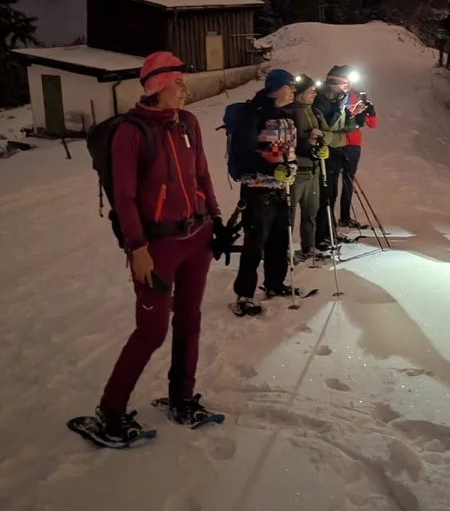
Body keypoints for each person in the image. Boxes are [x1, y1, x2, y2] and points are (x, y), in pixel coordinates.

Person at [94, 51, 220, 445]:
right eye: (177, 83)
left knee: (189, 320)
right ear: (156, 87)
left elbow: (202, 173)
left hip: (196, 238)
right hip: (158, 246)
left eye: (184, 82)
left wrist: (215, 220)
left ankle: (181, 397)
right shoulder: (130, 133)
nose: (185, 89)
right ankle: (109, 412)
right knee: (150, 332)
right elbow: (125, 198)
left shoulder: (189, 122)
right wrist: (137, 248)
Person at [229, 69, 299, 315]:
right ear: (276, 88)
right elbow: (244, 153)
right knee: (255, 243)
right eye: (289, 86)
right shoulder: (253, 114)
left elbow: (287, 150)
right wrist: (272, 169)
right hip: (257, 189)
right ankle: (244, 294)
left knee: (279, 239)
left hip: (281, 187)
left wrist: (291, 167)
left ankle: (274, 283)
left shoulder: (285, 115)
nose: (293, 91)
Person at [312, 65, 366, 251]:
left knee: (332, 194)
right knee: (325, 196)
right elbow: (326, 132)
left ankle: (329, 232)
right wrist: (336, 136)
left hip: (336, 153)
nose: (348, 87)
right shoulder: (321, 102)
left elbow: (343, 128)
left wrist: (354, 116)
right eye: (345, 83)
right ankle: (320, 237)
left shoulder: (339, 99)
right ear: (334, 82)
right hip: (323, 155)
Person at [288, 74, 335, 263]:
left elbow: (330, 135)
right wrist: (308, 142)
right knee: (288, 215)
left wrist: (322, 138)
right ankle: (284, 250)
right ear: (299, 93)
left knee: (311, 213)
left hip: (314, 169)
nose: (314, 93)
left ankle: (309, 247)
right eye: (310, 91)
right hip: (297, 171)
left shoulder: (315, 112)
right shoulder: (290, 112)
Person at [339, 70, 377, 229]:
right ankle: (327, 223)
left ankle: (345, 217)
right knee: (331, 185)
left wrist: (370, 112)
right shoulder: (334, 98)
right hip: (337, 143)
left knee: (348, 182)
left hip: (353, 145)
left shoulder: (357, 96)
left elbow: (372, 124)